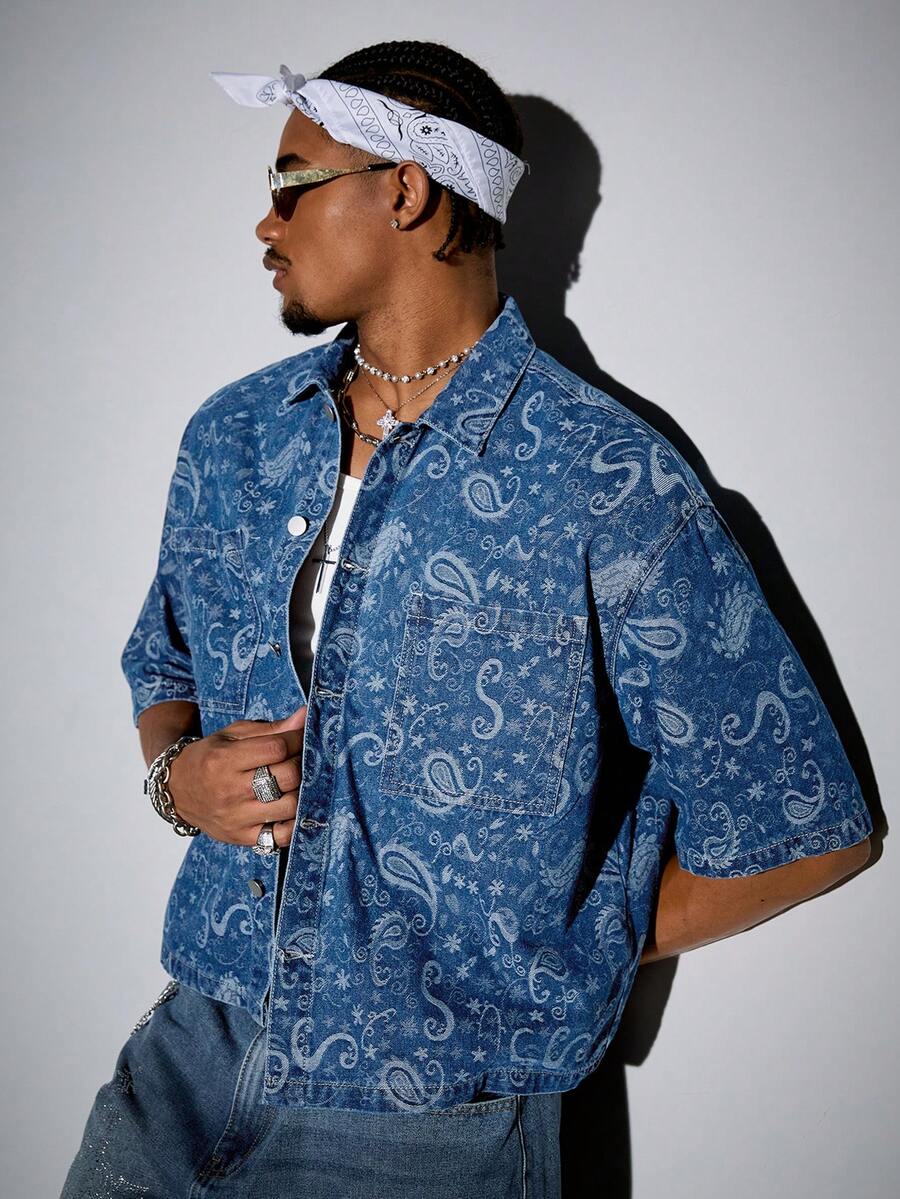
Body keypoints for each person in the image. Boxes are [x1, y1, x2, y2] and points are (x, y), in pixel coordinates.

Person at [61, 38, 872, 1199]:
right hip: (190, 1052)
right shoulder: (234, 437)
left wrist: (566, 947)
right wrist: (175, 777)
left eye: (292, 184)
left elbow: (809, 826)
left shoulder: (607, 482)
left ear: (405, 189)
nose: (264, 223)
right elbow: (163, 660)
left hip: (428, 1116)